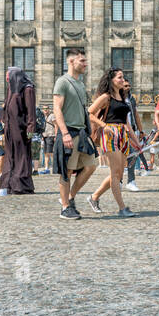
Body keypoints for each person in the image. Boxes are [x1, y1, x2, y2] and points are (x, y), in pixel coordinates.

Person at [86, 68, 138, 217]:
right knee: (116, 173)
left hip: (123, 135)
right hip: (110, 135)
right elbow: (89, 113)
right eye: (120, 77)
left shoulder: (123, 97)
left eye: (123, 77)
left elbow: (127, 123)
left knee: (119, 173)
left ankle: (94, 197)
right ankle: (122, 208)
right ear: (112, 80)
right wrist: (104, 126)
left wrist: (135, 141)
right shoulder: (105, 97)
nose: (123, 80)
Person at [53, 49, 97, 220]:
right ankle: (65, 208)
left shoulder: (80, 84)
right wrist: (64, 133)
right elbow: (57, 108)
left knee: (91, 165)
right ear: (71, 62)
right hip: (69, 132)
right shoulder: (62, 82)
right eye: (82, 61)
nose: (85, 64)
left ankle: (69, 197)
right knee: (67, 171)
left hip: (81, 133)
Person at [0, 66, 37, 196]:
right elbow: (5, 105)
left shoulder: (28, 89)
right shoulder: (11, 88)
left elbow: (31, 110)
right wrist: (3, 119)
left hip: (21, 128)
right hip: (9, 127)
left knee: (21, 155)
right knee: (10, 155)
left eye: (8, 74)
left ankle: (21, 185)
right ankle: (8, 184)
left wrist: (31, 127)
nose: (6, 77)